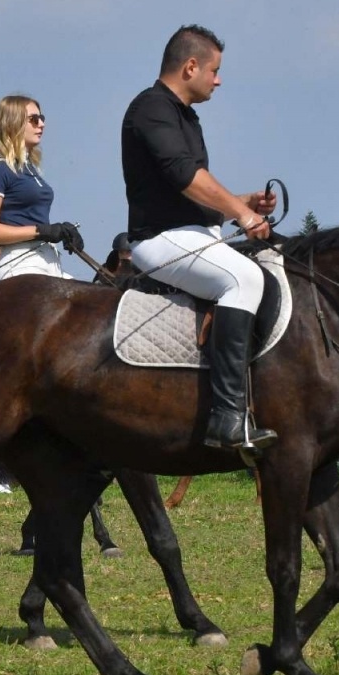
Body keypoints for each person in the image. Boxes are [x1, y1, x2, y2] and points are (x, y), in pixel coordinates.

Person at [121, 25, 277, 454]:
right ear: (191, 66)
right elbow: (186, 178)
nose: (219, 80)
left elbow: (192, 191)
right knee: (244, 279)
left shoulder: (185, 115)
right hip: (159, 240)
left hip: (191, 233)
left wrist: (243, 201)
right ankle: (227, 418)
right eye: (215, 70)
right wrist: (240, 213)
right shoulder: (152, 108)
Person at [0, 94, 82, 281]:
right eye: (34, 119)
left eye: (42, 118)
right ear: (12, 123)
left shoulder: (30, 169)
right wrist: (41, 231)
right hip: (19, 264)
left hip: (48, 260)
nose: (42, 124)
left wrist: (62, 231)